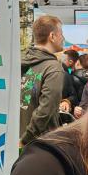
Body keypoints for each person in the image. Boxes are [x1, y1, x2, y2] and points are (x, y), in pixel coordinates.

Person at [20, 15, 67, 145]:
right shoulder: (53, 68)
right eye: (61, 34)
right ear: (52, 36)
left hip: (19, 135)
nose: (63, 38)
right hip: (43, 142)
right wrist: (26, 138)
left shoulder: (21, 63)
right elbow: (46, 109)